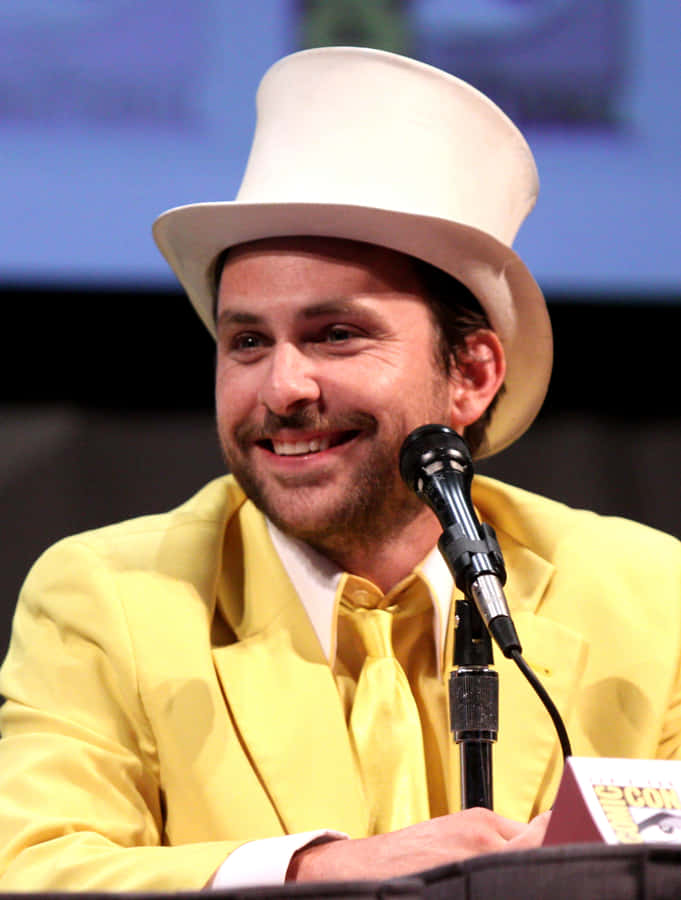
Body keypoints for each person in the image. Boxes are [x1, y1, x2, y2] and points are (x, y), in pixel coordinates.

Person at [1, 46, 680, 892]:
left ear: (470, 375)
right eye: (247, 341)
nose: (282, 387)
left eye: (336, 335)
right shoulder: (106, 596)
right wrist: (324, 871)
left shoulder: (650, 595)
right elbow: (31, 870)